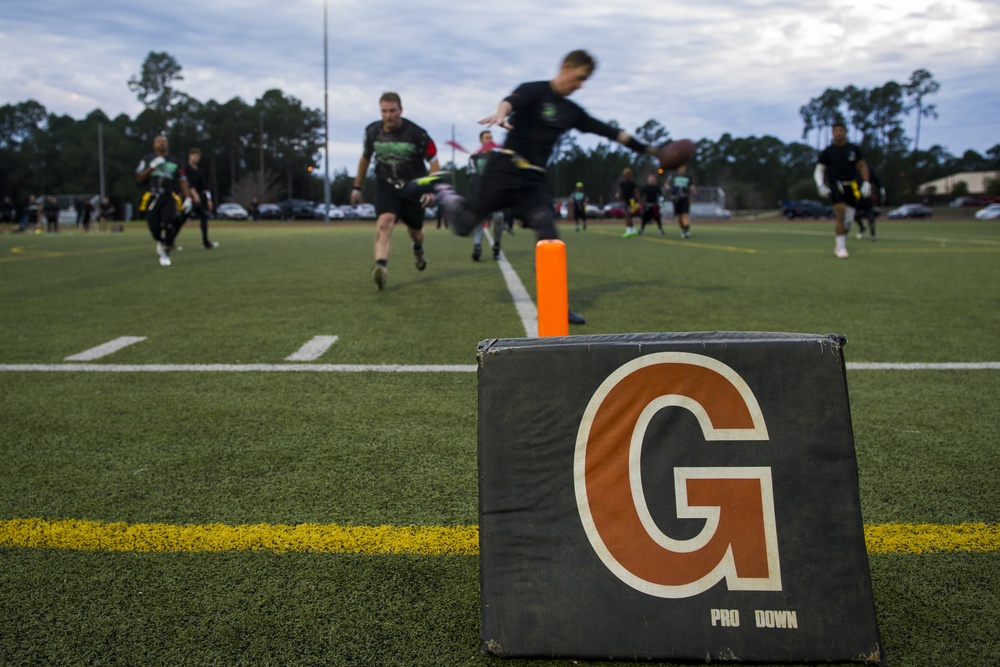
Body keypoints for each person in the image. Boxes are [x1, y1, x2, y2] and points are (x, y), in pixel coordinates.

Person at [409, 50, 673, 325]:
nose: (580, 85)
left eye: (585, 81)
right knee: (463, 225)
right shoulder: (535, 91)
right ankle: (442, 188)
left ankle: (555, 304)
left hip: (533, 182)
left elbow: (610, 132)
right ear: (567, 67)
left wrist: (652, 150)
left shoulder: (571, 111)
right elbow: (510, 102)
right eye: (579, 78)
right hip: (504, 169)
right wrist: (500, 113)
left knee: (548, 231)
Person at [350, 92, 440, 290]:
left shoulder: (418, 134)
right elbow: (365, 159)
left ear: (401, 110)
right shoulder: (372, 132)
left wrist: (430, 190)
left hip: (413, 189)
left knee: (416, 233)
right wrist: (357, 187)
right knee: (384, 222)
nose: (388, 116)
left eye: (392, 111)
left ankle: (418, 249)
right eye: (384, 111)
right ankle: (380, 267)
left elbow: (434, 162)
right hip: (386, 185)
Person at [814, 120, 871, 259]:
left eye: (841, 131)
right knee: (840, 210)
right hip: (836, 185)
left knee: (848, 219)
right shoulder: (828, 152)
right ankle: (841, 247)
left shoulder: (853, 149)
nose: (838, 134)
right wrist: (820, 184)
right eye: (835, 131)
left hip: (852, 185)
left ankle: (841, 239)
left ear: (845, 132)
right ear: (833, 134)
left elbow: (863, 166)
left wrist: (866, 183)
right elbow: (819, 169)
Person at [135, 134, 192, 267]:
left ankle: (166, 251)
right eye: (159, 141)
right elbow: (139, 177)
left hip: (168, 196)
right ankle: (161, 241)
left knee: (170, 222)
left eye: (164, 141)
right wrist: (152, 167)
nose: (162, 143)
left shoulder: (174, 161)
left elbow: (182, 179)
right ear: (154, 144)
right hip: (151, 197)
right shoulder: (148, 159)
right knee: (154, 228)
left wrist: (188, 197)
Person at [469, 129, 506, 261]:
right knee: (479, 219)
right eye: (486, 138)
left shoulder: (498, 158)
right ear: (481, 140)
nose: (489, 140)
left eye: (491, 137)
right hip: (479, 195)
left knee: (499, 217)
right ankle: (477, 247)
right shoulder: (474, 158)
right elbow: (473, 178)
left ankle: (496, 245)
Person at [182, 148, 219, 249]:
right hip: (188, 198)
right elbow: (187, 184)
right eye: (194, 155)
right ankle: (169, 242)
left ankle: (206, 242)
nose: (196, 158)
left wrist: (208, 199)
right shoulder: (185, 168)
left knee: (204, 217)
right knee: (180, 219)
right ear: (190, 156)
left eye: (198, 156)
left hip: (197, 200)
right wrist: (194, 195)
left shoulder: (200, 171)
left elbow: (204, 188)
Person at [852, 167, 884, 241]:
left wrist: (881, 189)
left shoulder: (869, 169)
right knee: (855, 215)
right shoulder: (854, 170)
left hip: (868, 196)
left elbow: (876, 180)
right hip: (857, 197)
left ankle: (873, 234)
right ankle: (862, 228)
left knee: (870, 215)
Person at [668, 164, 695, 238]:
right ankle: (683, 228)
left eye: (683, 167)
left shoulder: (688, 177)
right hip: (676, 198)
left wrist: (693, 191)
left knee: (685, 214)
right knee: (679, 217)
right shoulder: (673, 176)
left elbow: (692, 186)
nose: (682, 169)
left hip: (685, 197)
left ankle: (686, 230)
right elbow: (666, 185)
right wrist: (671, 190)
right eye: (680, 167)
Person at [617, 168, 638, 237]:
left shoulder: (632, 183)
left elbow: (636, 193)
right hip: (625, 201)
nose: (627, 175)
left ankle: (628, 231)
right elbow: (620, 192)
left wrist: (639, 201)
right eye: (626, 174)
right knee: (627, 216)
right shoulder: (622, 183)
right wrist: (618, 196)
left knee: (628, 215)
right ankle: (634, 230)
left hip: (631, 201)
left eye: (628, 174)